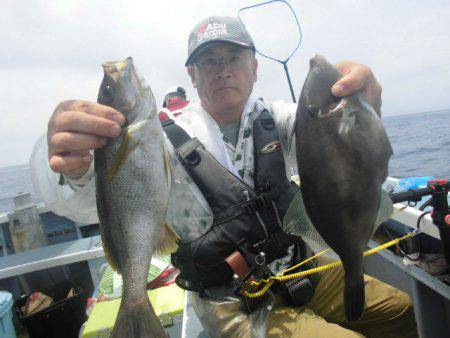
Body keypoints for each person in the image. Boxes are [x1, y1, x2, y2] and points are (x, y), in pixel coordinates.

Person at [31, 16, 418, 338]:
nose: (224, 69)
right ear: (193, 75)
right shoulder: (157, 138)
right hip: (229, 300)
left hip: (299, 267)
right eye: (210, 61)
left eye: (234, 57)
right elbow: (86, 202)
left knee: (401, 309)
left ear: (253, 68)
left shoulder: (282, 117)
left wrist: (357, 106)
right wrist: (75, 167)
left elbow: (339, 150)